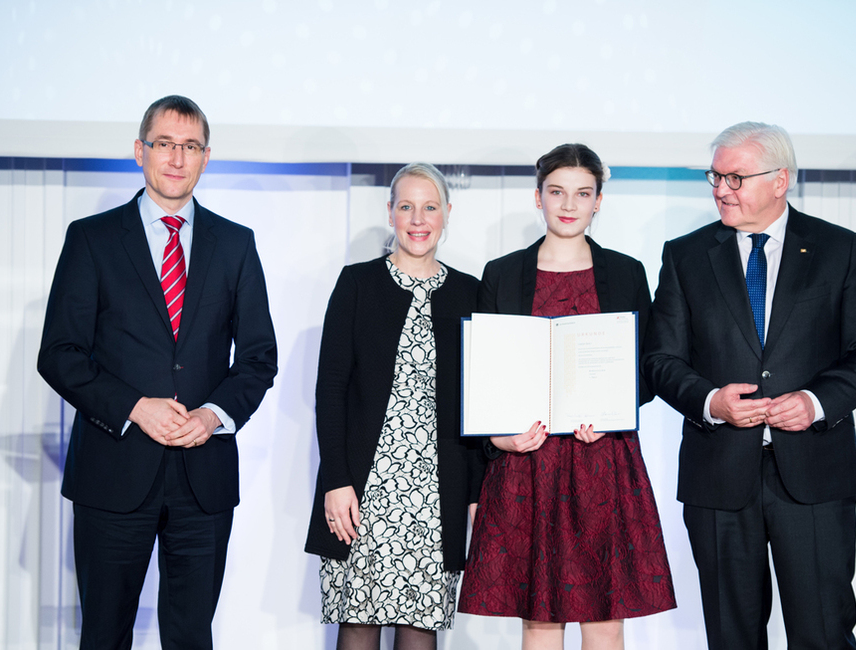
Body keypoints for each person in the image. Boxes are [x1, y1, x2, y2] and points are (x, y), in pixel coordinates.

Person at [37, 95, 278, 649]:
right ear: (140, 151)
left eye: (189, 146)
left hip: (204, 477)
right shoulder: (92, 239)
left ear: (206, 157)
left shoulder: (236, 244)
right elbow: (60, 353)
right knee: (104, 634)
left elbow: (260, 356)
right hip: (113, 471)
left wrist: (215, 415)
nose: (176, 157)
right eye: (164, 144)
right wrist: (133, 407)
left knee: (192, 636)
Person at [643, 122, 856, 649]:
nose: (720, 189)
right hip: (719, 478)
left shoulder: (837, 249)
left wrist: (815, 401)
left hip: (814, 476)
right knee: (732, 639)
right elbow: (661, 360)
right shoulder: (684, 256)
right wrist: (711, 402)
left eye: (735, 177)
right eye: (715, 177)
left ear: (780, 180)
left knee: (823, 634)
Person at [458, 144, 676, 649]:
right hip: (527, 459)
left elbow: (647, 366)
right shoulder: (502, 272)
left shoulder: (626, 272)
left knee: (604, 614)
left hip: (601, 455)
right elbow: (484, 369)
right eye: (557, 192)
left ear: (599, 200)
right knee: (540, 616)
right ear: (538, 197)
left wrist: (612, 409)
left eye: (582, 193)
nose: (569, 204)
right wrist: (499, 437)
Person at [304, 163, 483, 650]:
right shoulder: (356, 284)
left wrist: (475, 494)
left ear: (447, 214)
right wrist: (336, 480)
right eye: (406, 206)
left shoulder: (471, 292)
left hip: (435, 495)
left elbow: (480, 403)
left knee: (420, 632)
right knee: (358, 626)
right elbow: (330, 390)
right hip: (363, 492)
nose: (418, 218)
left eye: (430, 207)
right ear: (390, 213)